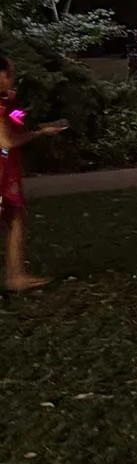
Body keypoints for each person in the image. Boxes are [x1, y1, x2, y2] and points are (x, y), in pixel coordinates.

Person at [0, 55, 66, 291]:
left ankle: (16, 275)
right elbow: (6, 141)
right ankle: (15, 276)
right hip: (2, 170)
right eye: (9, 74)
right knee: (13, 216)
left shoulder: (6, 101)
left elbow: (15, 122)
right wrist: (39, 134)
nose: (12, 78)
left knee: (16, 216)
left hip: (7, 169)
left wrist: (20, 110)